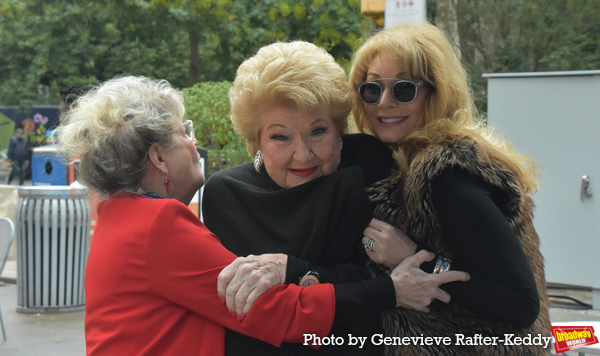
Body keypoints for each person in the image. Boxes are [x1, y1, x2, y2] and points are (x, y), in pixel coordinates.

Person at [55, 75, 467, 356]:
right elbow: (270, 311)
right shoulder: (158, 224)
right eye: (185, 131)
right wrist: (390, 290)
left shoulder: (118, 215)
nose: (194, 142)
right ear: (158, 156)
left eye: (318, 131)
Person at [202, 41, 469, 356]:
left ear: (339, 131)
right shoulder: (229, 194)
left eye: (318, 131)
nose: (303, 154)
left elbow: (394, 274)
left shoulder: (367, 166)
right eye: (280, 136)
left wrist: (295, 271)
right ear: (255, 140)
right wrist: (377, 290)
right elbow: (263, 308)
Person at [349, 21, 551, 355]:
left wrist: (414, 258)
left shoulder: (445, 174)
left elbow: (521, 302)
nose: (384, 102)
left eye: (403, 89)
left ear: (435, 92)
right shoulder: (398, 161)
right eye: (372, 89)